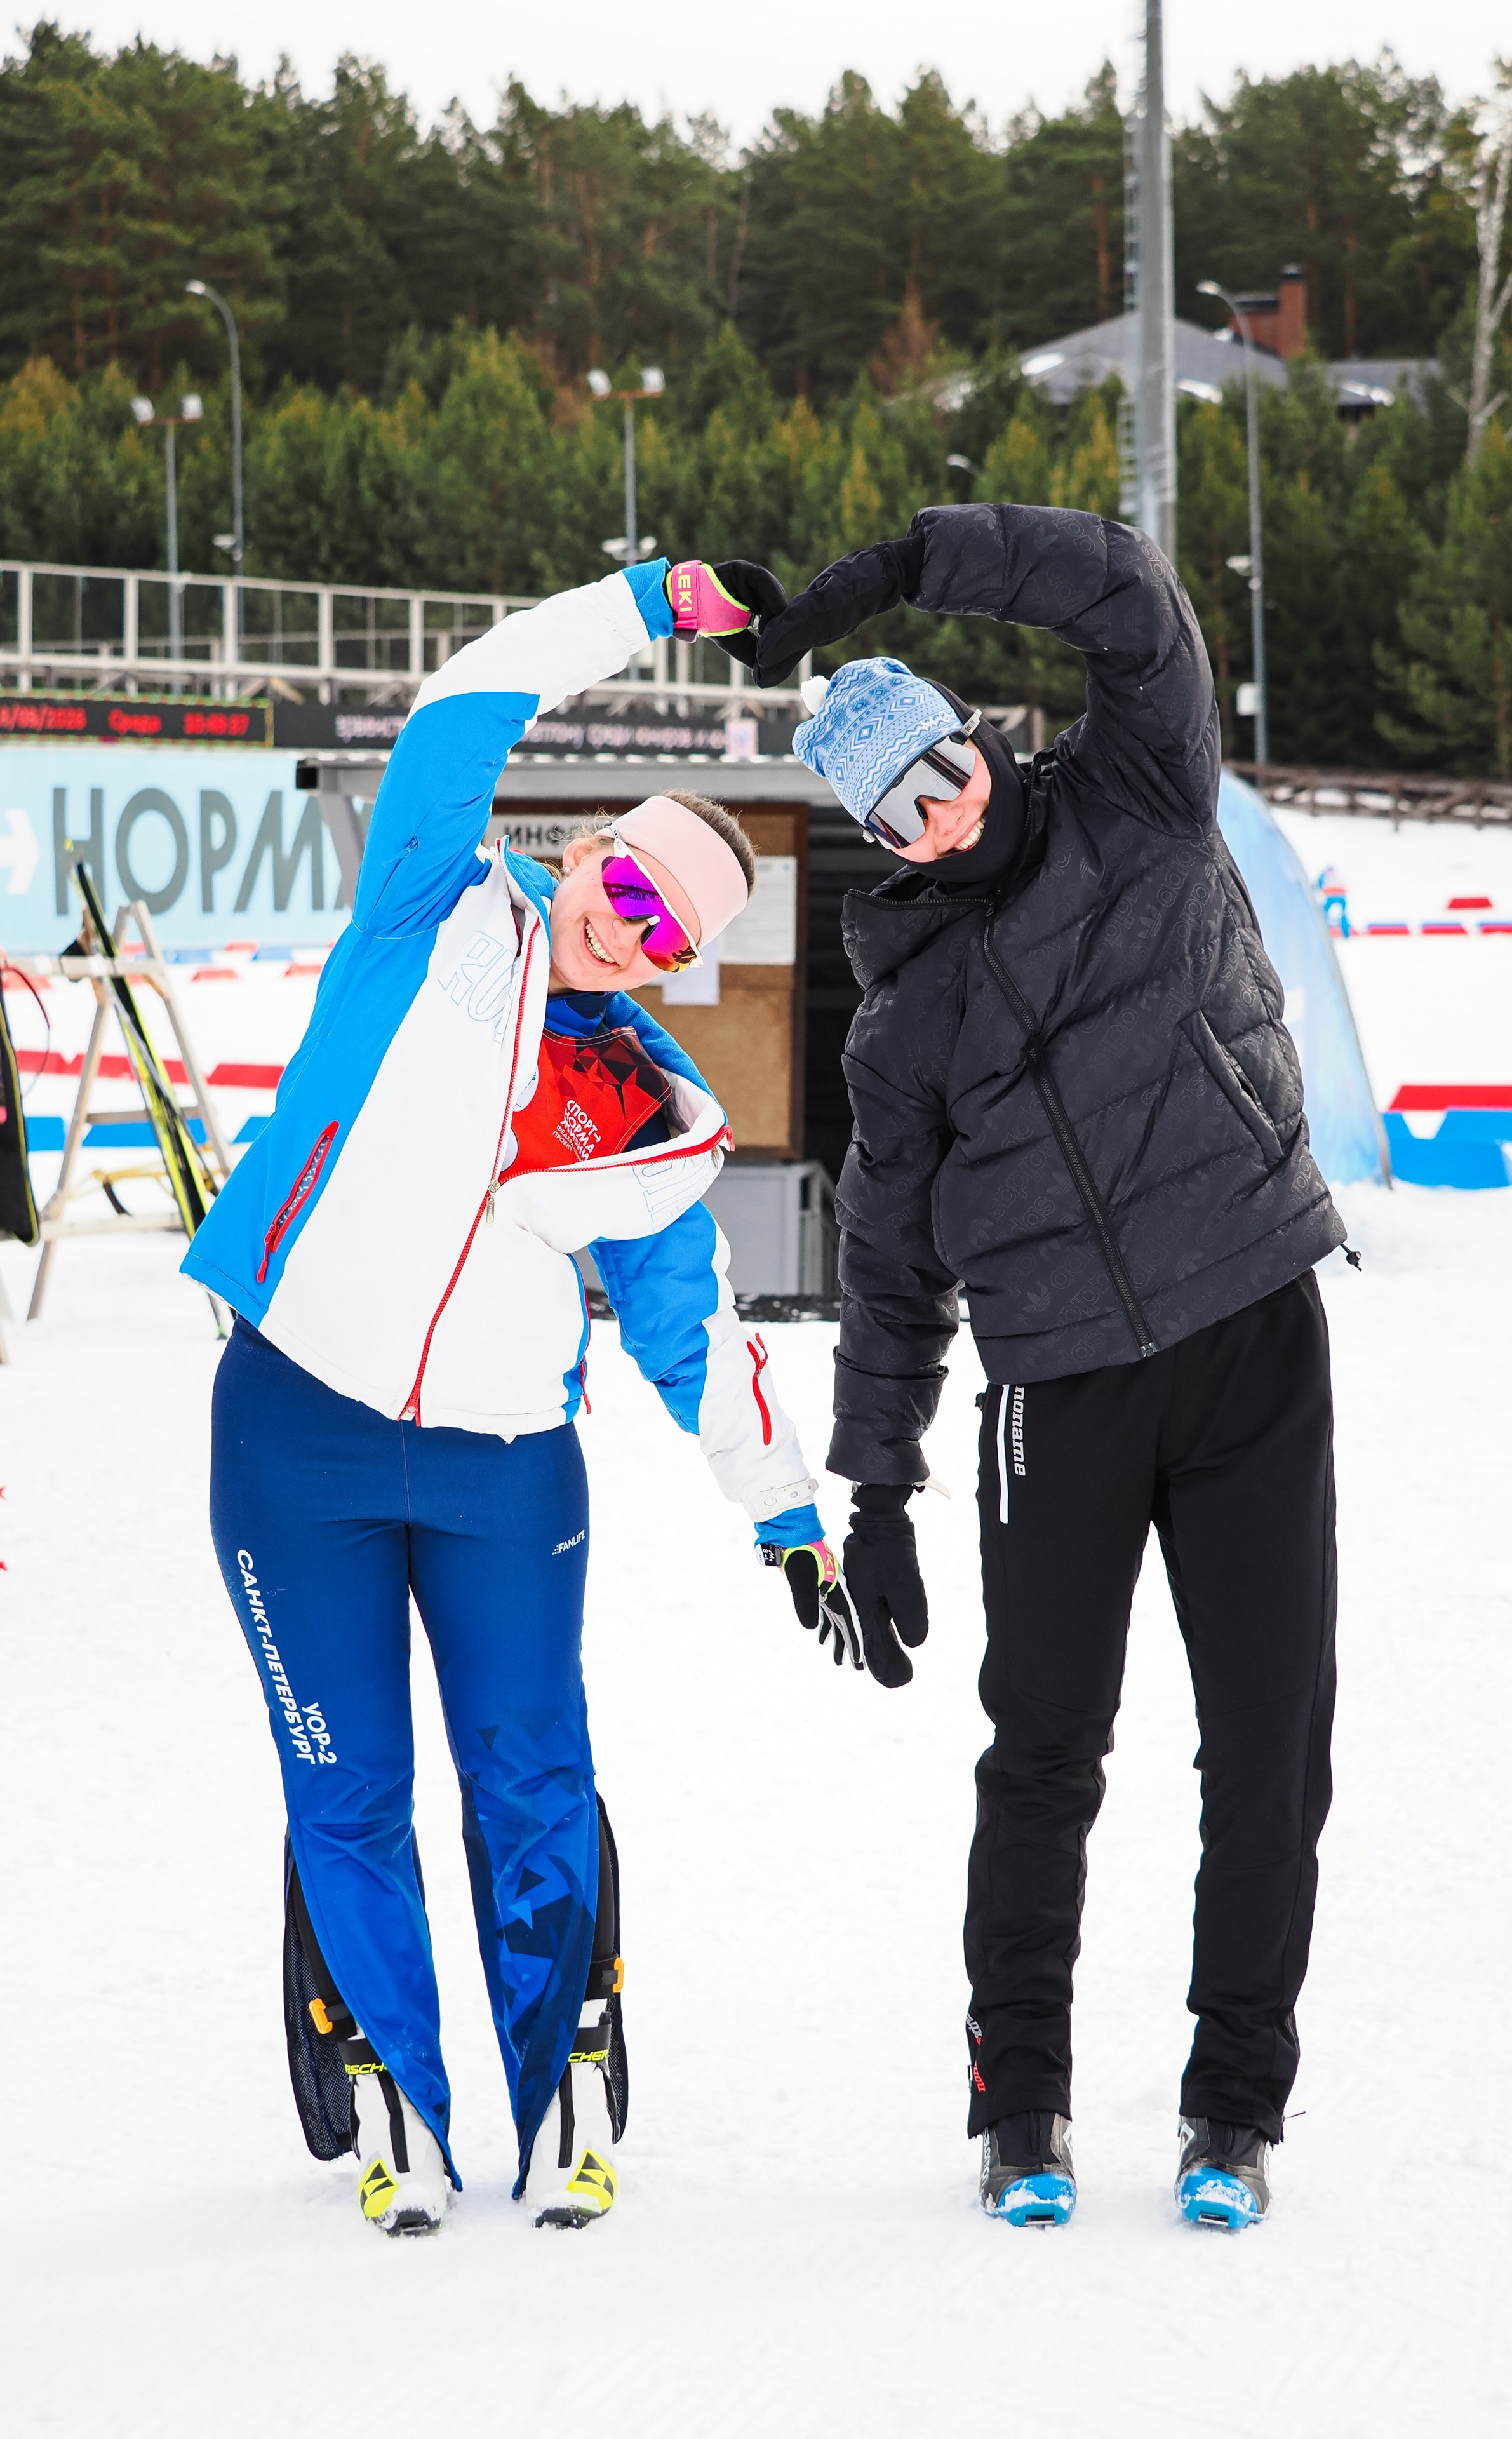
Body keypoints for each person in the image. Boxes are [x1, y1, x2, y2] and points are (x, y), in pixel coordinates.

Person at [184, 556, 859, 2237]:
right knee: (345, 1784)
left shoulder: (647, 1106)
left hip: (503, 1477)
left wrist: (782, 1512)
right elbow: (475, 685)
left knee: (530, 1780)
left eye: (667, 937)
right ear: (584, 852)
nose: (629, 932)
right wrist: (656, 599)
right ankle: (400, 2101)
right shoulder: (429, 894)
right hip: (297, 1434)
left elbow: (692, 1333)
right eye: (626, 888)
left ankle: (560, 2087)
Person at [754, 503, 1347, 2232]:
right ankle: (1022, 2109)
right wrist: (878, 1491)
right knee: (1043, 1754)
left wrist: (904, 565)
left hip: (1250, 1332)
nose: (936, 816)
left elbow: (1126, 596)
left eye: (938, 771)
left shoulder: (1141, 787)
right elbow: (887, 1267)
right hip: (1062, 1399)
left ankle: (1233, 2110)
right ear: (880, 838)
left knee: (1270, 1743)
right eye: (897, 814)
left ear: (969, 738)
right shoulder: (906, 1014)